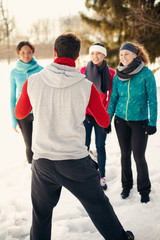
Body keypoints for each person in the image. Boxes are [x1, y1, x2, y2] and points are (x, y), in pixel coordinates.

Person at [15, 33, 134, 240]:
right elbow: (104, 121)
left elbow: (20, 113)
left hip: (42, 161)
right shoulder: (86, 86)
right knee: (98, 205)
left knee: (41, 214)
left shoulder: (33, 81)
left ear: (54, 52)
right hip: (75, 162)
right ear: (77, 56)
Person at [106, 42, 157, 203]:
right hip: (120, 120)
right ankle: (126, 186)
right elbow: (113, 98)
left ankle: (144, 190)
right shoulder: (118, 75)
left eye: (127, 54)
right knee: (125, 155)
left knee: (139, 156)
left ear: (135, 55)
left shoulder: (146, 74)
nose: (123, 57)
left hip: (140, 122)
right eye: (121, 54)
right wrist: (107, 120)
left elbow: (153, 100)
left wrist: (153, 122)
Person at [80, 43, 115, 190]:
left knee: (100, 146)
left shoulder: (111, 73)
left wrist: (105, 116)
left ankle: (101, 176)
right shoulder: (83, 71)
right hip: (86, 115)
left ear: (104, 55)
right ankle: (86, 175)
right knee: (84, 146)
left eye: (99, 53)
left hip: (101, 116)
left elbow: (111, 96)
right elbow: (80, 94)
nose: (96, 56)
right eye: (93, 53)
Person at [10, 41, 43, 163]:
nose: (26, 55)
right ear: (18, 54)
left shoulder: (41, 70)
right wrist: (14, 120)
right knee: (29, 145)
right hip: (22, 114)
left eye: (29, 52)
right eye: (23, 53)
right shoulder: (14, 73)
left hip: (39, 112)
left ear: (33, 53)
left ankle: (42, 170)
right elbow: (12, 97)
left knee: (40, 144)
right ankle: (32, 169)